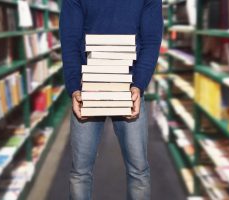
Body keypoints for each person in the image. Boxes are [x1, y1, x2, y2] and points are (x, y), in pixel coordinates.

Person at [60, 0, 163, 199]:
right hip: (87, 88)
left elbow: (151, 40)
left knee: (138, 171)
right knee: (81, 172)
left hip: (129, 88)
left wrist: (138, 84)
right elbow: (70, 40)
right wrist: (74, 88)